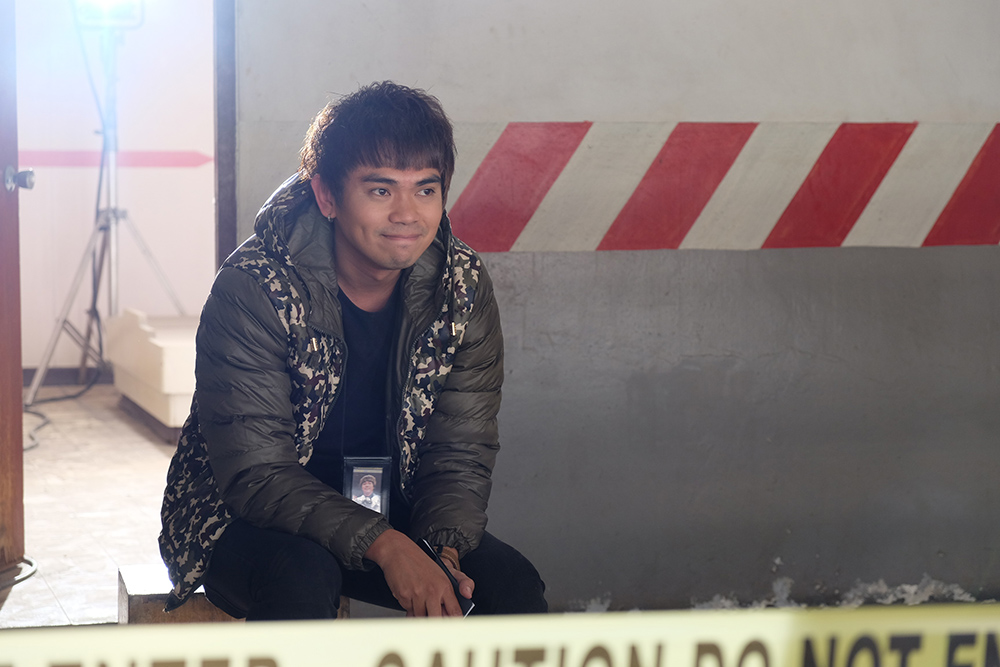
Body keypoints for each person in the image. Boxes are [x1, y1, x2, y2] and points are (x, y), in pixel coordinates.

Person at [158, 81, 547, 620]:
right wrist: (386, 547)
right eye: (381, 191)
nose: (407, 214)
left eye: (426, 190)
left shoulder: (459, 287)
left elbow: (460, 449)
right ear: (327, 196)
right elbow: (257, 475)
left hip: (389, 511)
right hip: (243, 518)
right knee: (302, 576)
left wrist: (443, 548)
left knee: (511, 587)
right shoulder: (257, 287)